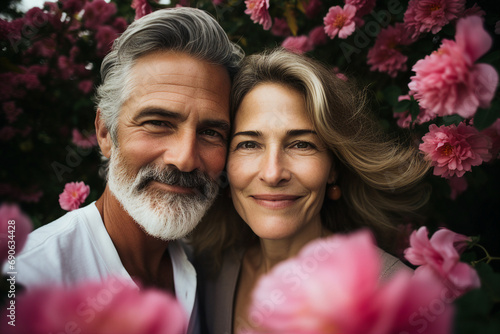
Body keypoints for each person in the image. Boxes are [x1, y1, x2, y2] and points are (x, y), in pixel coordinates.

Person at [8, 7, 244, 333]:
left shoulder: (210, 269)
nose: (185, 159)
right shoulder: (27, 283)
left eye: (210, 133)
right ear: (105, 133)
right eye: (158, 123)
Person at [191, 48, 431, 334]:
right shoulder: (208, 273)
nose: (272, 173)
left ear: (333, 167)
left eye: (301, 144)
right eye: (249, 144)